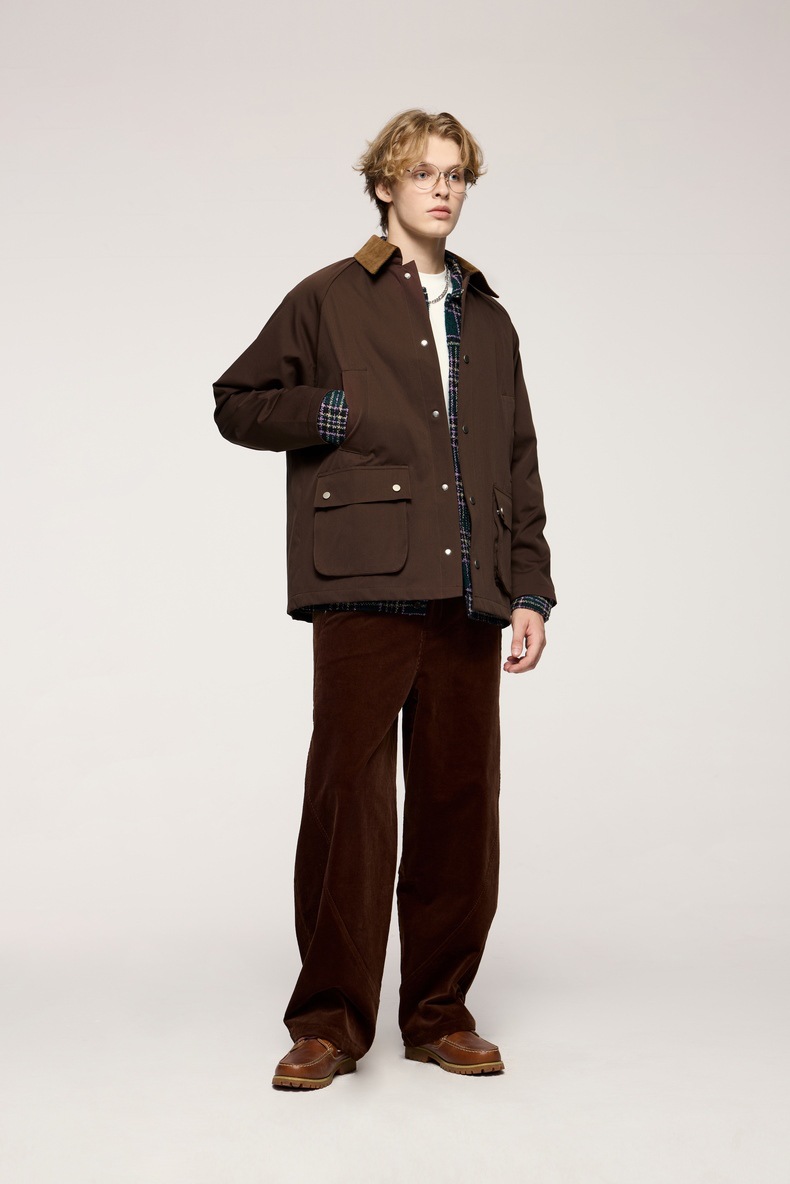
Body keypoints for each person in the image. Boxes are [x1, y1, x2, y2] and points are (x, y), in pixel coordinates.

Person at [212, 108, 557, 1090]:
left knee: (458, 803)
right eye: (422, 174)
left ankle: (438, 1012)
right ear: (384, 186)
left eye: (456, 175)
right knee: (349, 801)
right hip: (363, 582)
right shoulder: (329, 298)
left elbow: (518, 460)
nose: (441, 190)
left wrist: (530, 587)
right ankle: (328, 1020)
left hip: (469, 590)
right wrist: (330, 409)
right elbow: (237, 402)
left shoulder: (489, 317)